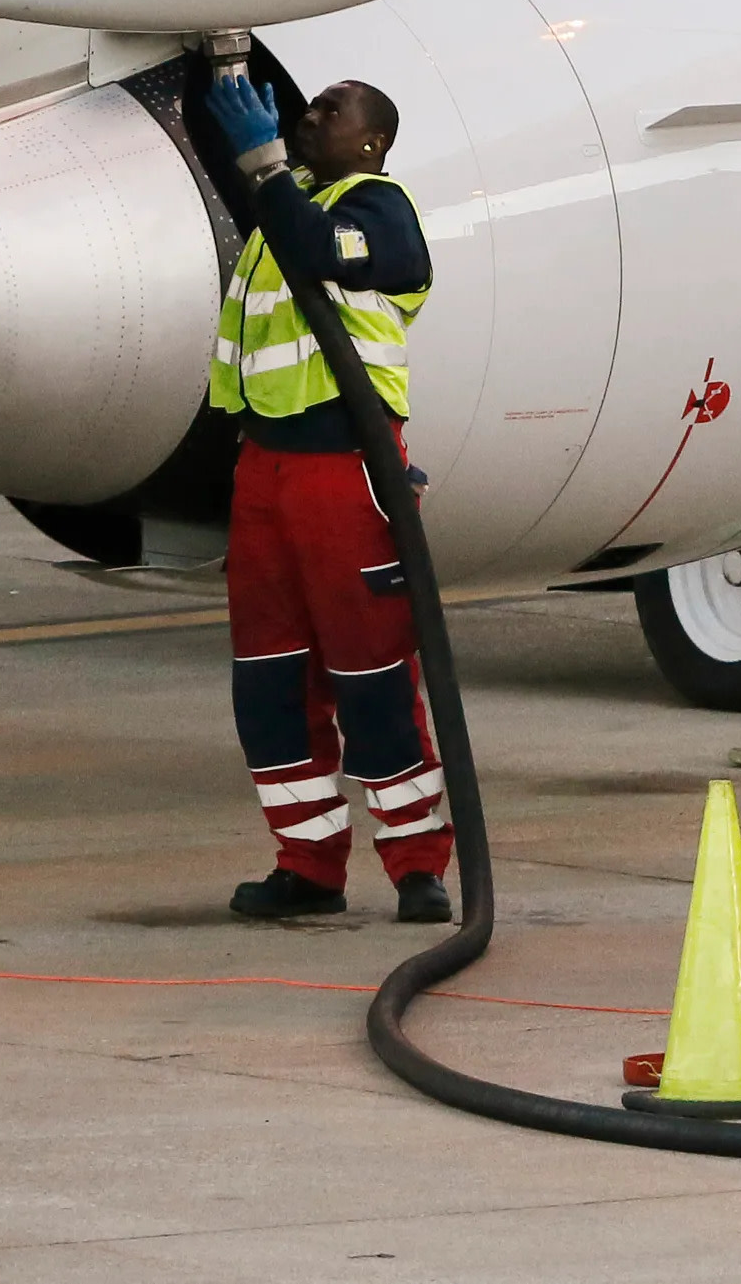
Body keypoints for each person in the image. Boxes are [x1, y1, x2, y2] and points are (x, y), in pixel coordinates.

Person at [201, 71, 453, 924]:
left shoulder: (379, 209)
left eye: (329, 109)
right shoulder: (285, 209)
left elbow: (322, 250)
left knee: (371, 670)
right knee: (269, 684)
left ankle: (418, 862)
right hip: (265, 472)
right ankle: (307, 864)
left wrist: (269, 164)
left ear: (371, 140)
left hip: (347, 467)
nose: (309, 116)